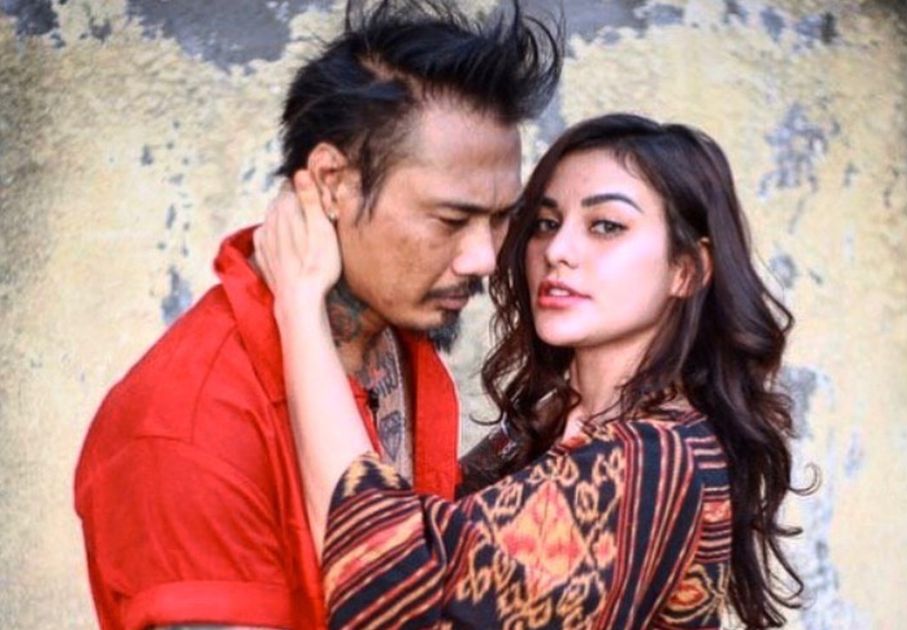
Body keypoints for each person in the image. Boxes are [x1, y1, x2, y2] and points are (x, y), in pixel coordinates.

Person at [73, 1, 562, 628]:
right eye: (451, 219)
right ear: (332, 182)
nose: (484, 258)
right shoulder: (187, 429)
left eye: (500, 218)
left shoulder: (395, 332)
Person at [256, 113, 808, 628]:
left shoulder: (656, 457)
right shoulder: (554, 427)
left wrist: (301, 304)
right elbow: (437, 534)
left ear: (686, 270)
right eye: (545, 222)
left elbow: (383, 587)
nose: (557, 250)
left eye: (606, 226)